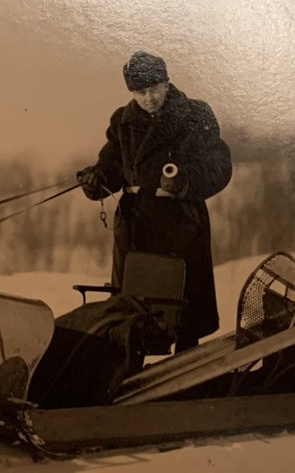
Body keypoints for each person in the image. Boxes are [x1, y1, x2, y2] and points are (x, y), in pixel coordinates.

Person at [76, 51, 232, 352]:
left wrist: (184, 180)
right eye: (140, 92)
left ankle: (186, 377)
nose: (148, 98)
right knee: (131, 311)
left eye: (154, 89)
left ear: (166, 83)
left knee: (181, 310)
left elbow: (220, 166)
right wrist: (96, 181)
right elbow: (113, 167)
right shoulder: (123, 121)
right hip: (136, 227)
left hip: (181, 224)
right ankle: (128, 379)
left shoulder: (195, 115)